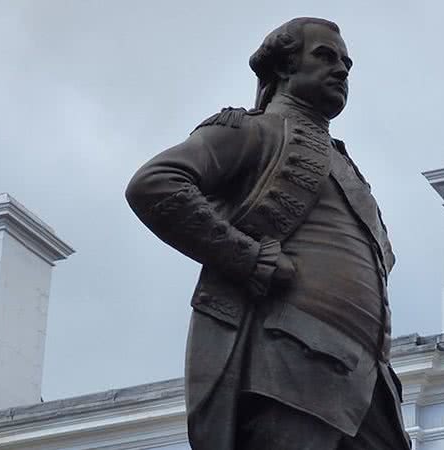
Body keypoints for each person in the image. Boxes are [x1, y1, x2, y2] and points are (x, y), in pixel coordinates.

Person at [125, 17, 410, 450]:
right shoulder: (252, 131)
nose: (341, 70)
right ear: (283, 67)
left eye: (347, 64)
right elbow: (155, 184)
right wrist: (247, 256)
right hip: (287, 369)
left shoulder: (345, 165)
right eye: (325, 56)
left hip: (365, 387)